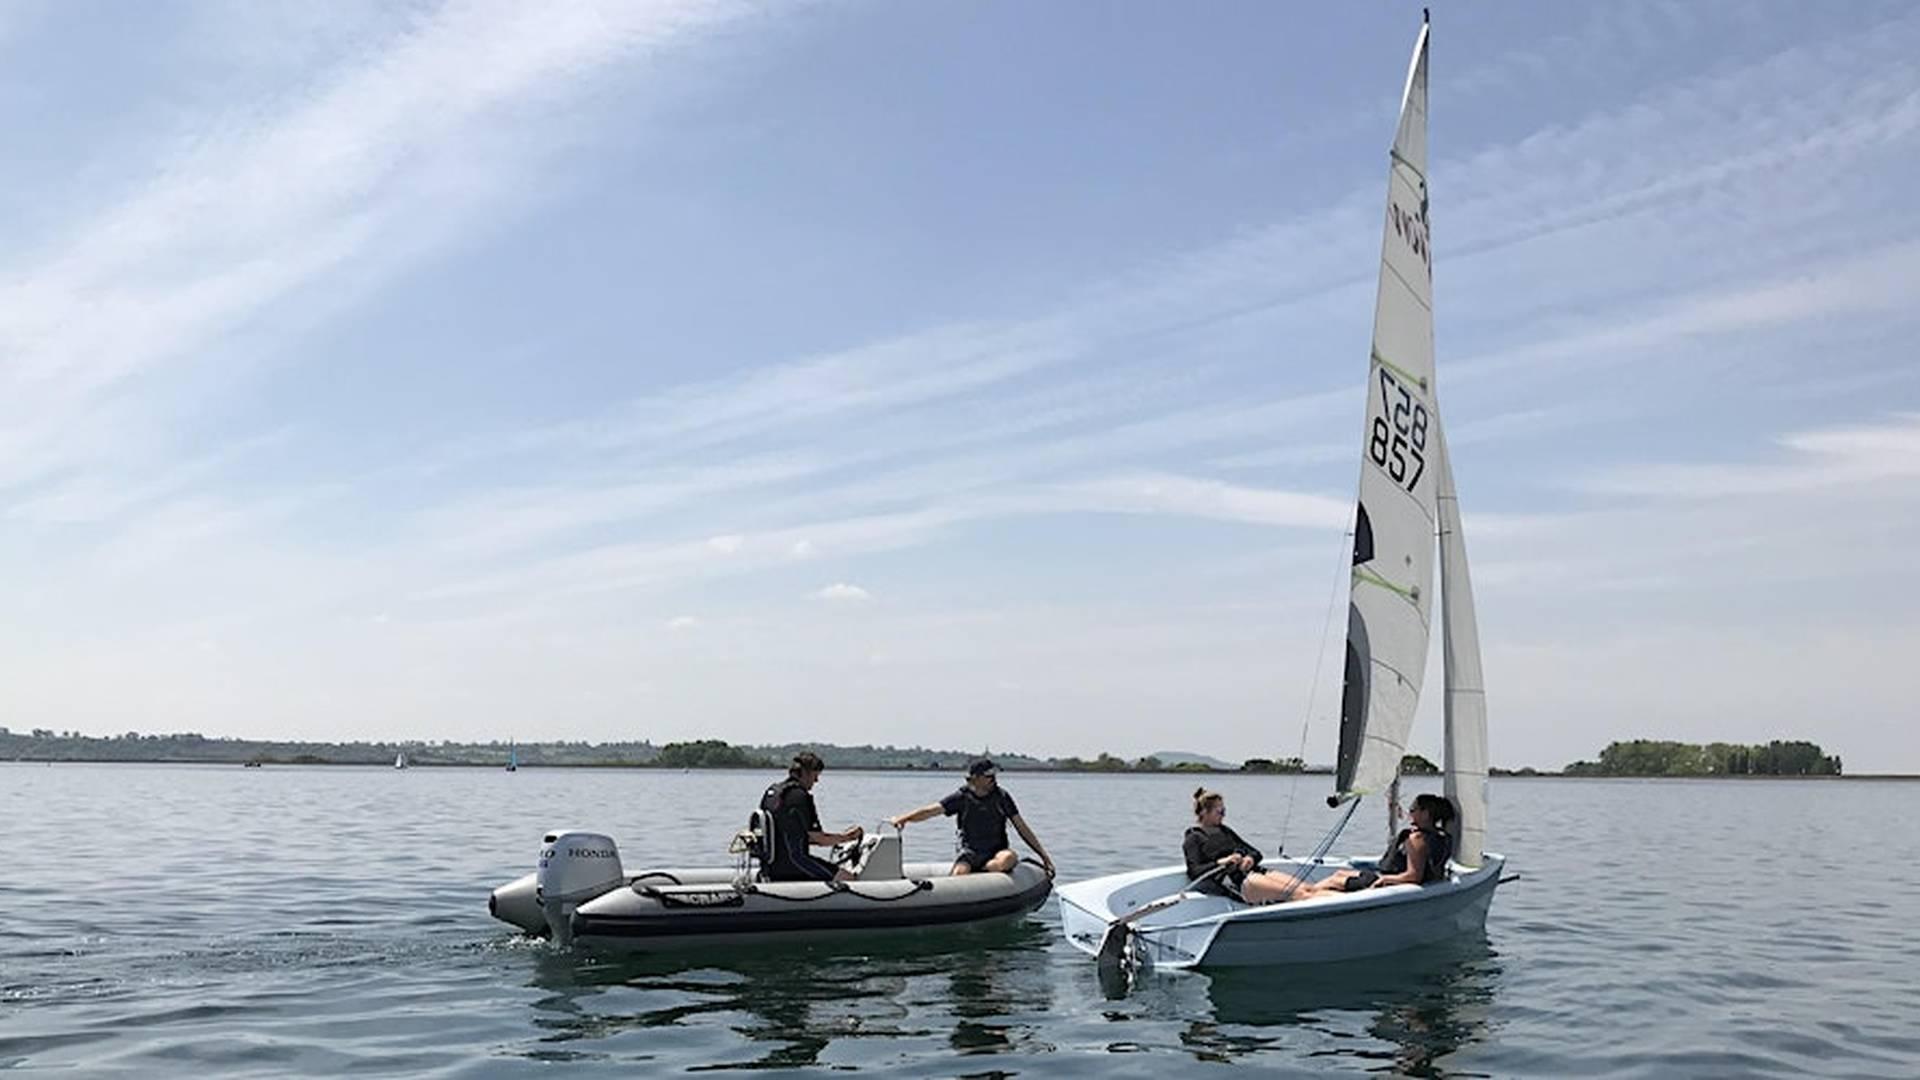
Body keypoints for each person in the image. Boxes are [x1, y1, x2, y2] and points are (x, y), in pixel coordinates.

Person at [889, 759, 1055, 878]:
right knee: (960, 874)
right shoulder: (962, 797)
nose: (994, 779)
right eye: (989, 776)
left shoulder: (1002, 797)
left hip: (996, 851)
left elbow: (1022, 827)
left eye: (995, 775)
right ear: (976, 778)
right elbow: (930, 810)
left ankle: (985, 873)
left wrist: (1043, 856)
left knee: (1007, 859)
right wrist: (904, 818)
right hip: (970, 851)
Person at [1278, 792, 1456, 900]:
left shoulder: (1417, 839)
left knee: (1335, 880)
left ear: (1425, 813)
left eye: (1412, 809)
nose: (1409, 813)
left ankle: (1300, 896)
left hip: (1389, 884)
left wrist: (1386, 880)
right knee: (1340, 874)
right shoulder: (1441, 836)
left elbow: (1413, 876)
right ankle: (1304, 892)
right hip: (1392, 881)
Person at [759, 751, 864, 882]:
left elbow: (793, 835)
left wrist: (840, 837)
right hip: (795, 864)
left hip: (771, 865)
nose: (816, 781)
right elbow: (820, 839)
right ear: (805, 772)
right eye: (815, 775)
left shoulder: (773, 792)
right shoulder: (800, 797)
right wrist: (849, 837)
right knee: (847, 877)